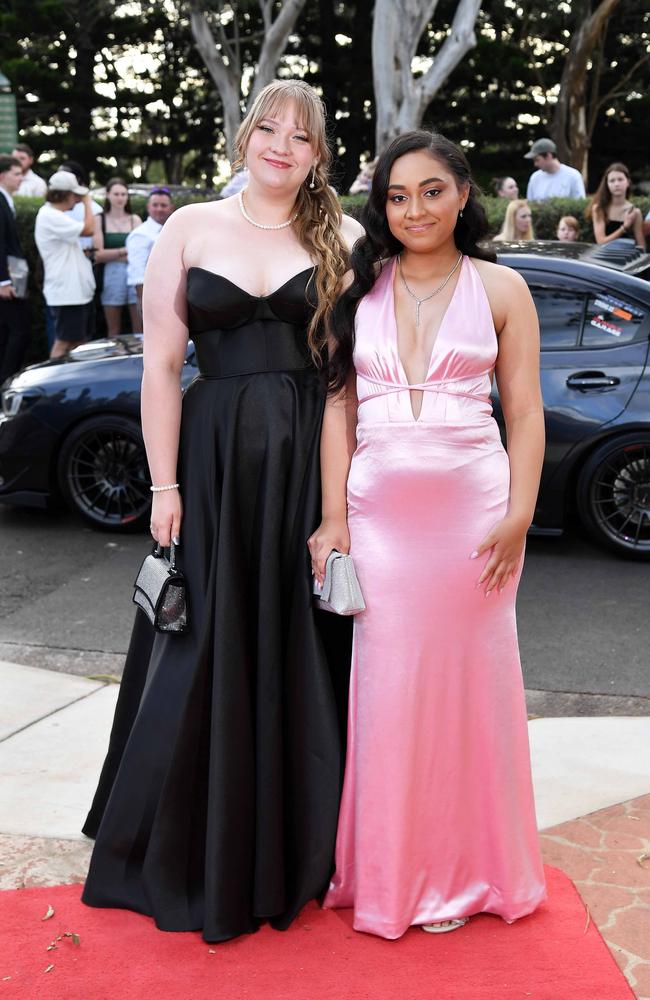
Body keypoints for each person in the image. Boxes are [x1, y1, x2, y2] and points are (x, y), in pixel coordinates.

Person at [81, 79, 364, 943]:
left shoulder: (344, 236)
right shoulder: (189, 225)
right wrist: (163, 488)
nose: (282, 145)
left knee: (290, 642)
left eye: (302, 137)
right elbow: (161, 367)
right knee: (197, 641)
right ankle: (178, 845)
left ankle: (290, 845)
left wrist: (333, 513)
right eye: (269, 128)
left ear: (320, 156)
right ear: (245, 135)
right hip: (205, 469)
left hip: (298, 466)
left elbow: (341, 389)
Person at [310, 130, 546, 939]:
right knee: (389, 695)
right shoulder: (358, 285)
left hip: (476, 523)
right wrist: (334, 517)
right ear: (381, 206)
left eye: (432, 191)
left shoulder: (504, 287)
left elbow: (523, 411)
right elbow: (338, 410)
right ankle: (394, 875)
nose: (415, 209)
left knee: (473, 694)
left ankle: (472, 872)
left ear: (462, 193)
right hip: (381, 525)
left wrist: (519, 513)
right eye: (398, 196)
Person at [34, 171, 96, 358]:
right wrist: (87, 201)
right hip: (67, 293)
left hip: (70, 292)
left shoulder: (53, 215)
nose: (76, 200)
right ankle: (54, 381)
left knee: (76, 343)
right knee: (65, 342)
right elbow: (89, 229)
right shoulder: (50, 215)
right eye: (75, 195)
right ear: (64, 195)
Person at [94, 178, 142, 336]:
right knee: (113, 329)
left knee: (139, 327)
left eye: (123, 194)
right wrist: (124, 250)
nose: (120, 198)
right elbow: (98, 255)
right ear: (108, 195)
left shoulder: (135, 220)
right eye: (116, 194)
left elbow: (138, 254)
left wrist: (112, 254)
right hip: (110, 275)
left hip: (134, 274)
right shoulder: (99, 220)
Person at [126, 187, 175, 326]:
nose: (159, 209)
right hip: (152, 300)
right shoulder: (140, 234)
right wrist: (145, 308)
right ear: (148, 207)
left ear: (171, 208)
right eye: (155, 205)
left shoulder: (174, 230)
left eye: (164, 205)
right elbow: (138, 275)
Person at [0, 156, 29, 382]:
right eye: (16, 174)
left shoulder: (6, 199)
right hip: (5, 282)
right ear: (3, 175)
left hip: (9, 279)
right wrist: (3, 281)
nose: (21, 178)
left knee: (9, 332)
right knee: (19, 331)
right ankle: (7, 383)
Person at [587, 162, 644, 248]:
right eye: (612, 181)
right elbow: (601, 241)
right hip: (602, 257)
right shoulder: (599, 209)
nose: (616, 184)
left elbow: (641, 246)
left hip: (626, 257)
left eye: (620, 179)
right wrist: (624, 228)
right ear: (607, 184)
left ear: (628, 182)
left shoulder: (634, 212)